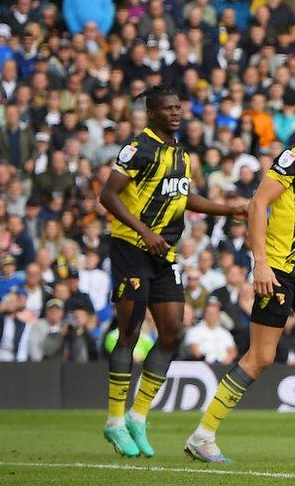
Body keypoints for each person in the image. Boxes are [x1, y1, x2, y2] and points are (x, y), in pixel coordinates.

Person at [185, 93, 295, 464]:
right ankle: (202, 436)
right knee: (261, 357)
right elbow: (258, 203)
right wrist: (260, 263)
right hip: (278, 268)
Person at [98, 86, 245, 458]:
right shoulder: (138, 148)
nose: (176, 113)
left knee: (172, 333)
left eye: (178, 108)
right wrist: (144, 232)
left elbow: (184, 197)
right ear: (151, 113)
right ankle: (114, 422)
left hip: (165, 253)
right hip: (132, 249)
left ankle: (137, 416)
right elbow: (108, 195)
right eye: (168, 108)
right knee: (129, 333)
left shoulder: (180, 153)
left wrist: (226, 210)